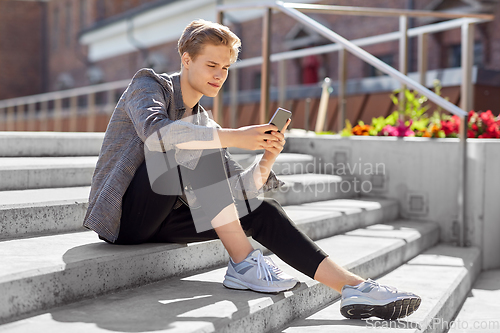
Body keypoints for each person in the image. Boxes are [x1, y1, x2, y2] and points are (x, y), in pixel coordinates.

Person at [83, 19, 420, 320]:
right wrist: (235, 136)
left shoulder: (204, 122)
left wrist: (266, 160)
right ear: (186, 61)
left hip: (166, 219)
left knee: (261, 210)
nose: (219, 75)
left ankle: (354, 287)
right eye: (211, 65)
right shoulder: (149, 85)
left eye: (226, 68)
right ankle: (244, 263)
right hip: (124, 218)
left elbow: (239, 193)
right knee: (194, 143)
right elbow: (158, 135)